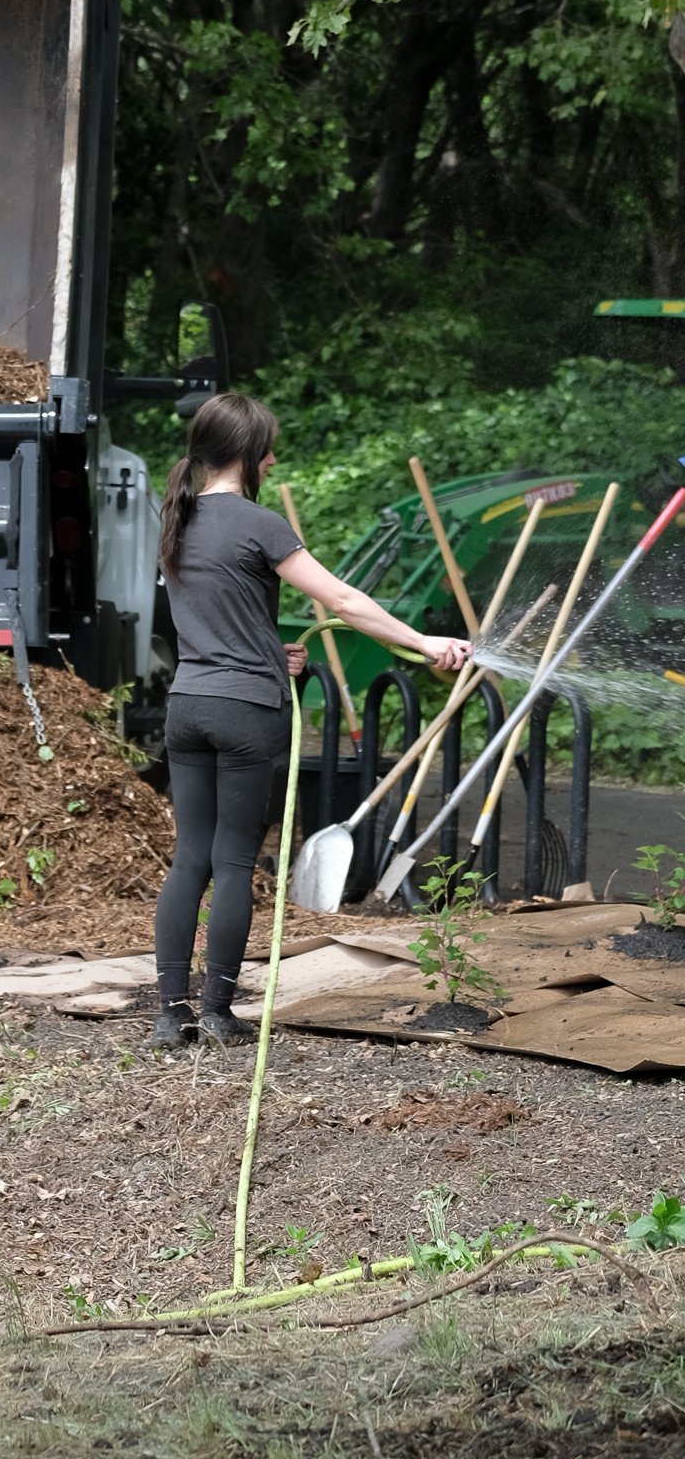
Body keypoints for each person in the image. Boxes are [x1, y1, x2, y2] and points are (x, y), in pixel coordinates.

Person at [151, 392, 469, 1049]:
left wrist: (273, 651)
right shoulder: (259, 524)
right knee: (233, 862)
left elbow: (216, 617)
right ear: (247, 453)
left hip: (187, 707)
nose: (272, 459)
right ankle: (217, 1012)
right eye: (267, 449)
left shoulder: (177, 518)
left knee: (189, 860)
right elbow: (344, 600)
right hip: (245, 712)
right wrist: (424, 642)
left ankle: (169, 1014)